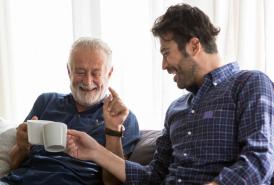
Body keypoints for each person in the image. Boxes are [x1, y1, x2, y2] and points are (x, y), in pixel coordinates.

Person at [65, 3, 274, 185]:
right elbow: (152, 177)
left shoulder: (249, 84)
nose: (164, 65)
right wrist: (95, 151)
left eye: (166, 53)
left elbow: (259, 162)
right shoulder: (176, 108)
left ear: (194, 46)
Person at [0, 38, 140, 185]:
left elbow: (113, 182)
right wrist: (22, 147)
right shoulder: (46, 101)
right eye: (80, 72)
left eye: (96, 73)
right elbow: (14, 164)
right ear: (69, 71)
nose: (87, 81)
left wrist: (113, 131)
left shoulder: (122, 118)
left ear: (109, 73)